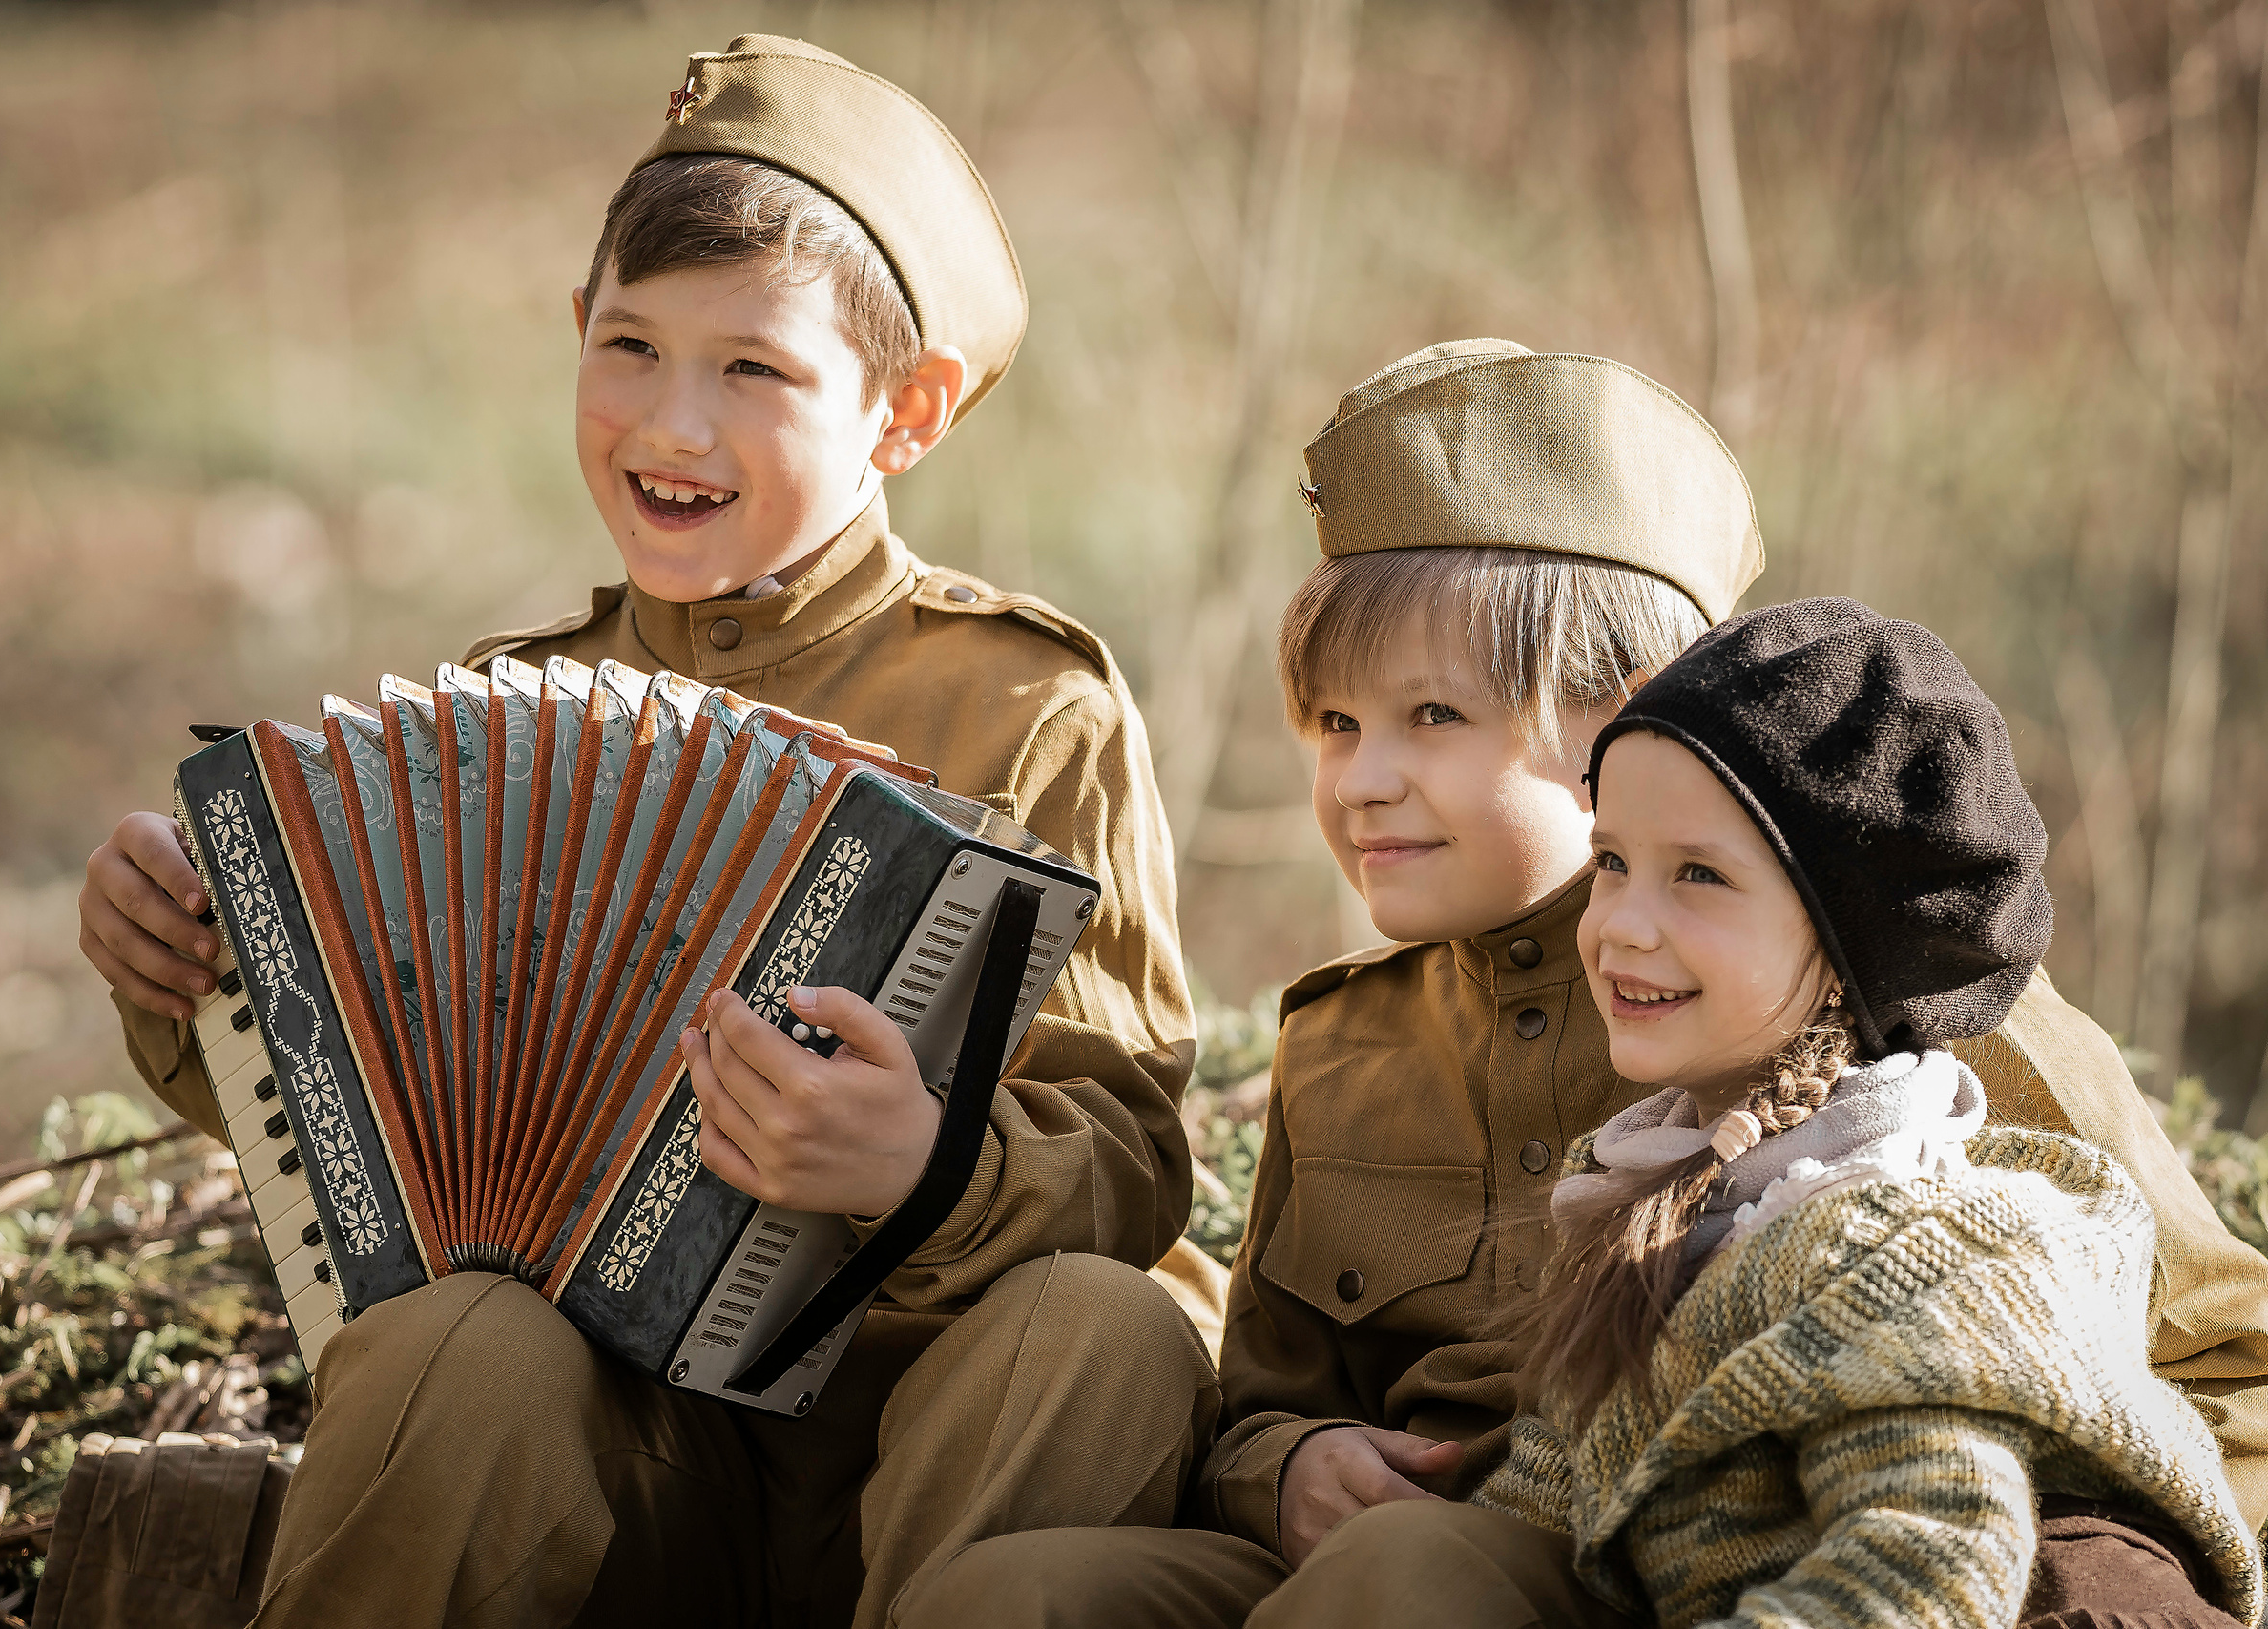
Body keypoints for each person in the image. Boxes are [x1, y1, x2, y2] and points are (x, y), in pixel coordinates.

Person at [60, 36, 1215, 1629]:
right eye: (629, 345)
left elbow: (1134, 1150)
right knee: (450, 1341)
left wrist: (917, 1162)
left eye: (755, 369)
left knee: (1105, 1324)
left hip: (926, 1449)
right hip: (622, 1462)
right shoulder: (502, 711)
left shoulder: (1031, 707)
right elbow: (375, 1128)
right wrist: (186, 968)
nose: (671, 423)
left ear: (911, 412)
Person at [893, 341, 2268, 1629]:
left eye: (1434, 714)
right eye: (1334, 722)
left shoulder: (1880, 1006)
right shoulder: (1345, 1038)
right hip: (1355, 1565)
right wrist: (1292, 1461)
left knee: (1407, 1570)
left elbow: (2223, 1364)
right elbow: (1260, 1398)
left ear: (1640, 706)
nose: (1362, 775)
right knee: (1020, 1593)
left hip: (1674, 1569)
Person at [1467, 596, 2260, 1629]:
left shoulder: (1892, 1239)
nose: (1621, 924)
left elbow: (1921, 1568)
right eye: (1611, 862)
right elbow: (1564, 1484)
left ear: (1847, 950)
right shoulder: (1651, 1179)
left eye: (1698, 875)